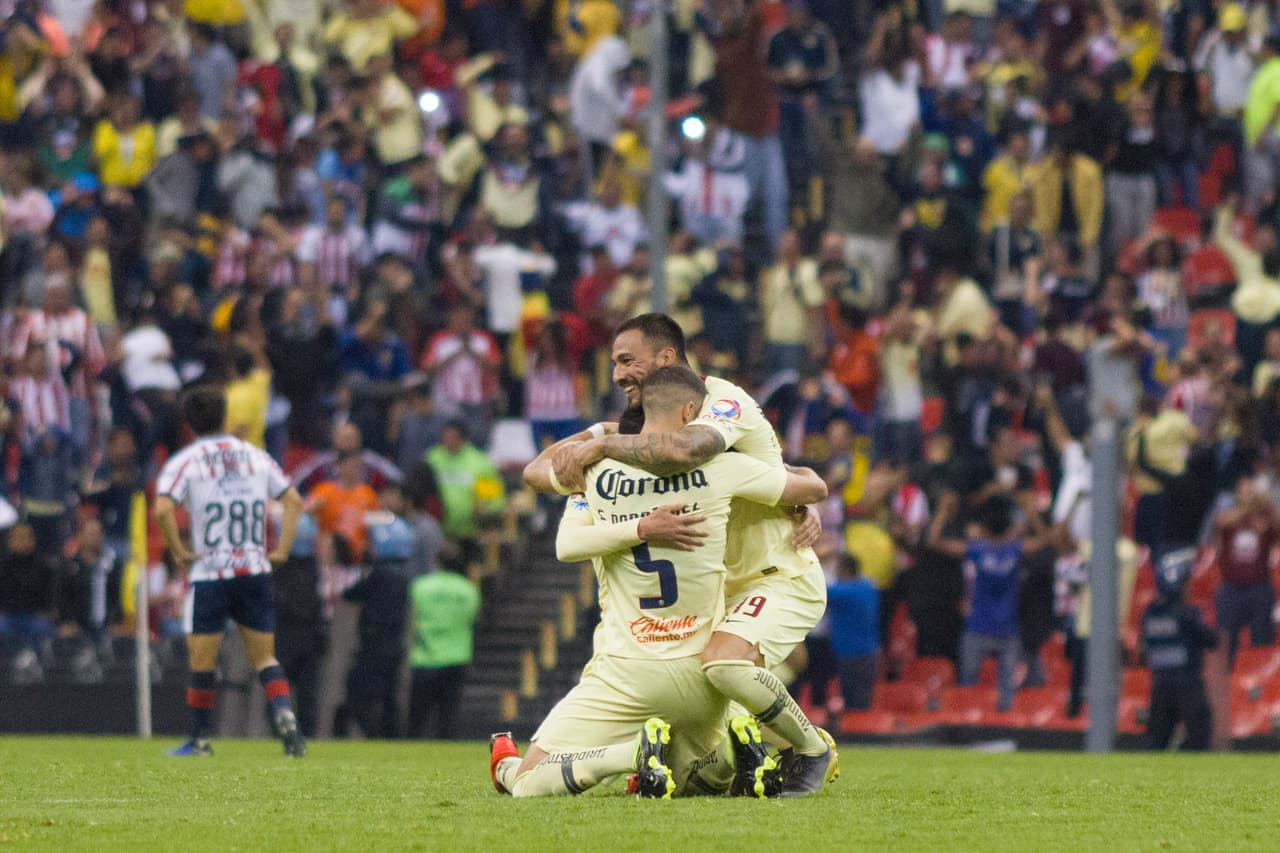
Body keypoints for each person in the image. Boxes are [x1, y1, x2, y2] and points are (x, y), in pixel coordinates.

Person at [532, 314, 836, 795]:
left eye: (627, 361)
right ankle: (744, 755)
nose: (617, 375)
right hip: (719, 593)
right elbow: (536, 472)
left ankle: (812, 749)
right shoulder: (632, 435)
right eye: (614, 363)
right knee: (694, 767)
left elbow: (686, 451)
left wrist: (602, 445)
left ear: (667, 358)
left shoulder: (724, 403)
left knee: (724, 663)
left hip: (777, 574)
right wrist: (595, 437)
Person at [154, 385, 306, 757]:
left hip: (211, 572)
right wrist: (281, 549)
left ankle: (199, 740)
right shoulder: (255, 456)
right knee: (264, 657)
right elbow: (293, 500)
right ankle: (283, 711)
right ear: (224, 417)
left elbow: (162, 509)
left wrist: (178, 551)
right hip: (253, 570)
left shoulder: (187, 461)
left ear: (189, 423)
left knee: (202, 661)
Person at [929, 493, 1059, 712]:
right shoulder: (1014, 549)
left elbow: (934, 542)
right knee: (1003, 692)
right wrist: (1031, 513)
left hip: (982, 628)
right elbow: (1047, 541)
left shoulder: (978, 549)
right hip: (1000, 629)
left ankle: (969, 721)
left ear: (986, 528)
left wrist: (942, 510)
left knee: (969, 687)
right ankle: (990, 720)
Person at [339, 501, 416, 738]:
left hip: (374, 642)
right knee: (389, 694)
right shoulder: (405, 573)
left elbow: (350, 594)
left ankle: (372, 732)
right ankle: (391, 734)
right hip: (395, 642)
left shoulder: (379, 573)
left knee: (359, 690)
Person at [1141, 548, 1218, 751]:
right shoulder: (1187, 614)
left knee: (1157, 740)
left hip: (1159, 683)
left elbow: (1144, 647)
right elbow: (1211, 640)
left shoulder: (1150, 614)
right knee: (1199, 734)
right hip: (1188, 683)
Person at [407, 543, 481, 739]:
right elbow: (472, 619)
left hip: (425, 657)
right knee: (449, 714)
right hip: (457, 656)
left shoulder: (420, 586)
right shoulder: (469, 590)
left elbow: (411, 618)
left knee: (419, 716)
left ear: (437, 562)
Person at [1211, 477, 1279, 662]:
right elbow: (1221, 523)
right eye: (1245, 492)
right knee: (1226, 642)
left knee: (1262, 641)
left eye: (1252, 492)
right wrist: (1248, 510)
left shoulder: (1265, 519)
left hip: (1259, 588)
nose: (1249, 496)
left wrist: (1268, 506)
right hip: (1231, 588)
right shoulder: (1227, 516)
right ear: (1237, 495)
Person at [271, 513, 326, 739]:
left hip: (284, 636)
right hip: (307, 637)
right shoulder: (312, 568)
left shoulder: (279, 568)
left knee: (279, 693)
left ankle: (281, 733)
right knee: (306, 696)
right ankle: (305, 735)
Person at [826, 554, 880, 711]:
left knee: (854, 703)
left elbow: (818, 592)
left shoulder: (846, 592)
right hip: (869, 652)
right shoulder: (867, 586)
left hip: (852, 654)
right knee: (863, 698)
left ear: (845, 570)